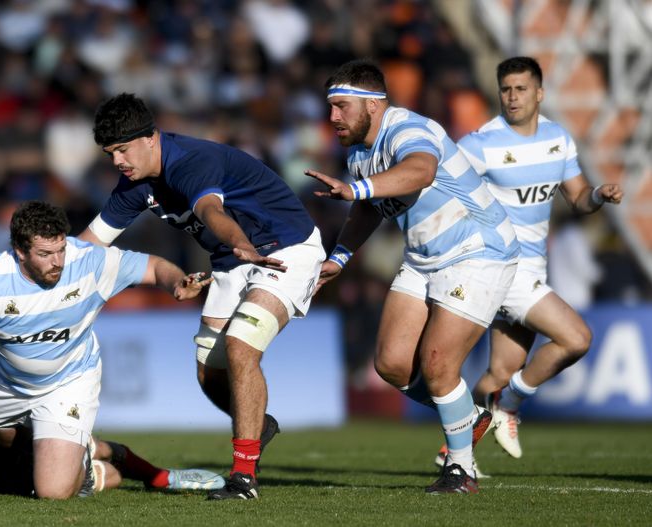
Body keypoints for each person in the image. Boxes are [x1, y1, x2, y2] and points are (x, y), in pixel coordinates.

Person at [79, 93, 326, 500]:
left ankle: (243, 477)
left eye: (123, 150)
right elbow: (89, 246)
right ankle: (258, 427)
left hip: (284, 250)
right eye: (111, 154)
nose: (118, 161)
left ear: (151, 138)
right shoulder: (135, 184)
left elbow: (211, 210)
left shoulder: (189, 161)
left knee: (240, 346)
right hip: (232, 260)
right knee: (208, 375)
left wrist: (239, 241)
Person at [0, 200, 214, 500]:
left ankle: (91, 466)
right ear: (19, 251)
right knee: (7, 445)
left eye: (61, 249)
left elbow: (155, 267)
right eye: (46, 254)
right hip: (5, 383)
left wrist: (176, 282)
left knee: (52, 491)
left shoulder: (89, 261)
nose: (58, 261)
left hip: (69, 380)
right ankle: (82, 448)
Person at [306, 59, 520, 494]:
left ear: (374, 104)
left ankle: (461, 470)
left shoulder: (408, 128)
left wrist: (357, 189)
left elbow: (420, 171)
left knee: (439, 365)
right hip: (425, 256)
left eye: (342, 106)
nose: (332, 118)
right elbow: (367, 208)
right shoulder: (359, 154)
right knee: (391, 363)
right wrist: (341, 257)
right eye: (330, 107)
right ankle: (470, 416)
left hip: (477, 250)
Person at [449, 56, 623, 460]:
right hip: (501, 267)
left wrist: (598, 195)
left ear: (539, 93)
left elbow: (578, 197)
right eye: (506, 89)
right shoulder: (479, 144)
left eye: (521, 89)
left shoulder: (557, 140)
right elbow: (443, 189)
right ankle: (509, 404)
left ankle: (455, 454)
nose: (512, 97)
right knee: (577, 338)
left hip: (533, 267)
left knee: (499, 371)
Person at [0, 369, 225, 496]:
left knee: (88, 444)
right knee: (92, 470)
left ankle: (160, 477)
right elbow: (6, 440)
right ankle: (117, 475)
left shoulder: (12, 367)